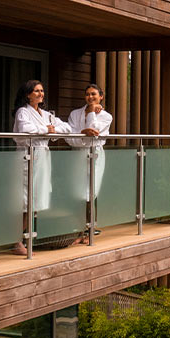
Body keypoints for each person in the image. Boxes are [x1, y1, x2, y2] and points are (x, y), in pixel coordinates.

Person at [12, 79, 70, 255]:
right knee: (25, 200)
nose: (40, 94)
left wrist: (51, 130)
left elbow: (66, 128)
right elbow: (25, 129)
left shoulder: (46, 114)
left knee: (36, 200)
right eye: (36, 91)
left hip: (42, 158)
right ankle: (16, 241)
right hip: (27, 156)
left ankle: (25, 238)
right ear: (27, 94)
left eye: (42, 91)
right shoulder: (23, 112)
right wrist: (47, 129)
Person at [66, 84, 113, 242]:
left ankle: (90, 230)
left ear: (101, 97)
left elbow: (94, 131)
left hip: (95, 155)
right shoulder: (75, 113)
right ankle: (79, 230)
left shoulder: (106, 116)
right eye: (87, 94)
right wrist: (82, 136)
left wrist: (92, 112)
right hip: (77, 155)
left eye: (94, 94)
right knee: (76, 193)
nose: (90, 97)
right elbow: (69, 138)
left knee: (90, 193)